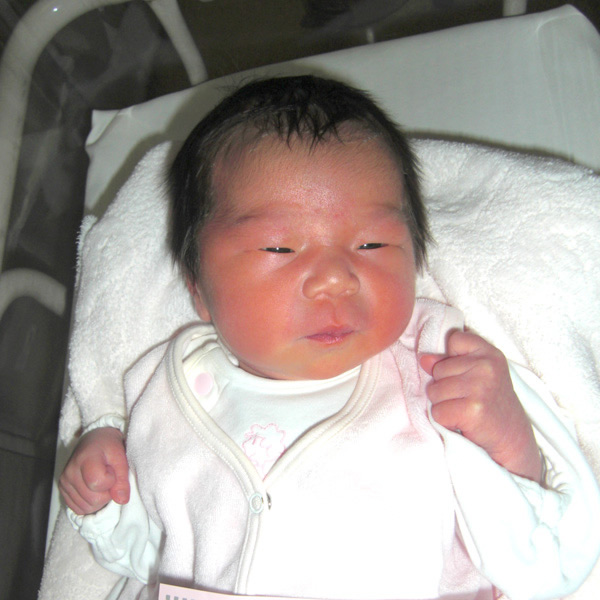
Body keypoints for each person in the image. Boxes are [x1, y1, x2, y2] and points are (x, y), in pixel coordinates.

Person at [58, 75, 600, 600]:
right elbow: (146, 557)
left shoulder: (438, 368)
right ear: (199, 289)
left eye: (371, 244)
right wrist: (107, 499)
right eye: (279, 248)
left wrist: (511, 446)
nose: (335, 278)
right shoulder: (163, 391)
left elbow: (549, 565)